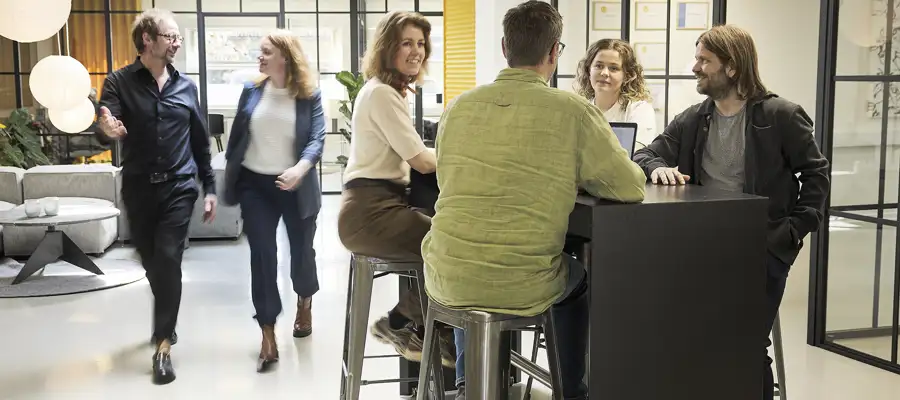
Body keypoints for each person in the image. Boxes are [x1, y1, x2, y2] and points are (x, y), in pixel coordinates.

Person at [421, 2, 647, 399]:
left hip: (445, 276)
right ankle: (572, 392)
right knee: (576, 278)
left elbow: (447, 179)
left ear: (505, 47)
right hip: (523, 286)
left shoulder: (457, 108)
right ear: (554, 53)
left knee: (469, 260)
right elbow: (631, 187)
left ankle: (467, 384)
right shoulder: (575, 111)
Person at [631, 24, 830, 400]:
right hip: (702, 248)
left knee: (745, 346)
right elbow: (645, 153)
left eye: (704, 60)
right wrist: (657, 166)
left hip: (762, 248)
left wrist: (792, 231)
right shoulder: (694, 117)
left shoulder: (782, 115)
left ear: (733, 67)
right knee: (693, 340)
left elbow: (816, 174)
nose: (695, 67)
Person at [96, 8, 217, 385]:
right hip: (138, 188)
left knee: (168, 258)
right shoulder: (118, 82)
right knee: (153, 264)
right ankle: (167, 313)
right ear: (146, 39)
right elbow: (105, 124)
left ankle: (162, 345)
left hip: (179, 188)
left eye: (178, 37)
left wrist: (209, 188)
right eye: (170, 36)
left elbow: (200, 142)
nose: (176, 43)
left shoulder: (187, 87)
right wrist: (107, 130)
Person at [337, 11, 454, 367]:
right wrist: (464, 155)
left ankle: (421, 330)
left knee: (444, 239)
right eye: (406, 43)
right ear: (388, 47)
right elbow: (420, 160)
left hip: (374, 207)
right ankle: (408, 325)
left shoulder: (384, 91)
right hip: (371, 213)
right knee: (453, 244)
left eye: (421, 44)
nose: (416, 51)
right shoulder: (383, 94)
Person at [221, 30, 325, 373]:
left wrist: (300, 168)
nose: (259, 57)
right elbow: (238, 135)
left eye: (265, 52)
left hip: (295, 184)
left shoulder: (309, 94)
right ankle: (267, 332)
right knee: (262, 255)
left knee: (301, 254)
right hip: (256, 186)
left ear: (285, 57)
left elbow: (317, 137)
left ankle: (304, 299)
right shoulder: (252, 90)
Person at [575, 38, 657, 148]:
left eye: (613, 68)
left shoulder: (639, 110)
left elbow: (633, 155)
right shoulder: (578, 109)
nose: (604, 73)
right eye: (599, 66)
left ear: (627, 75)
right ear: (588, 70)